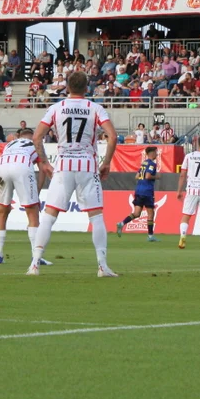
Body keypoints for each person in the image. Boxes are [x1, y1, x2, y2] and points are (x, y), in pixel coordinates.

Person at [30, 70, 119, 277]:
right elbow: (112, 136)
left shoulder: (56, 107)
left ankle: (34, 264)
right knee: (96, 217)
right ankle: (102, 266)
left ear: (67, 87)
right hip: (87, 165)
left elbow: (37, 137)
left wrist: (44, 162)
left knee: (49, 216)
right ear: (87, 88)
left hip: (63, 165)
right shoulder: (95, 108)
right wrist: (106, 163)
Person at [0, 128, 51, 267]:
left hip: (1, 168)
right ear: (33, 136)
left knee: (2, 212)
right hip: (22, 166)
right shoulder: (36, 143)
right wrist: (37, 191)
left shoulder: (10, 144)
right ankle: (36, 256)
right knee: (32, 213)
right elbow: (43, 168)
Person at [177, 135, 200, 250]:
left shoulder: (189, 156)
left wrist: (179, 190)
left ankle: (183, 236)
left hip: (191, 189)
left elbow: (183, 174)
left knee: (186, 215)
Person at [116, 146, 159, 241]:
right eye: (156, 152)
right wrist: (156, 177)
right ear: (152, 153)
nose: (157, 154)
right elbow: (148, 176)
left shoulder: (144, 163)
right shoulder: (152, 164)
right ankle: (150, 236)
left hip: (138, 191)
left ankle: (121, 223)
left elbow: (136, 176)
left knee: (136, 213)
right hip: (147, 192)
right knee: (151, 213)